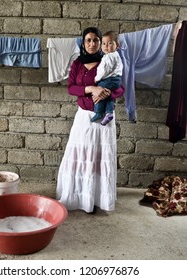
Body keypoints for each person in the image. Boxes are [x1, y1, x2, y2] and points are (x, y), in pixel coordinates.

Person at [56, 27, 124, 214]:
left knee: (99, 156)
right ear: (83, 43)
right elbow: (71, 88)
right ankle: (78, 196)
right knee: (81, 155)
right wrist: (91, 89)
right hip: (84, 117)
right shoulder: (77, 63)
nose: (92, 44)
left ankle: (96, 198)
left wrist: (108, 92)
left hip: (103, 119)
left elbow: (120, 87)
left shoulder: (108, 58)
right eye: (88, 40)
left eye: (96, 40)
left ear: (101, 42)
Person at [91, 31, 123, 126]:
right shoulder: (116, 55)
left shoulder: (109, 56)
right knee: (108, 95)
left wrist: (97, 78)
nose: (106, 46)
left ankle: (98, 112)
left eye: (109, 43)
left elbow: (105, 70)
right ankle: (109, 113)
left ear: (117, 45)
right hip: (116, 80)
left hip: (110, 79)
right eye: (104, 43)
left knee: (100, 89)